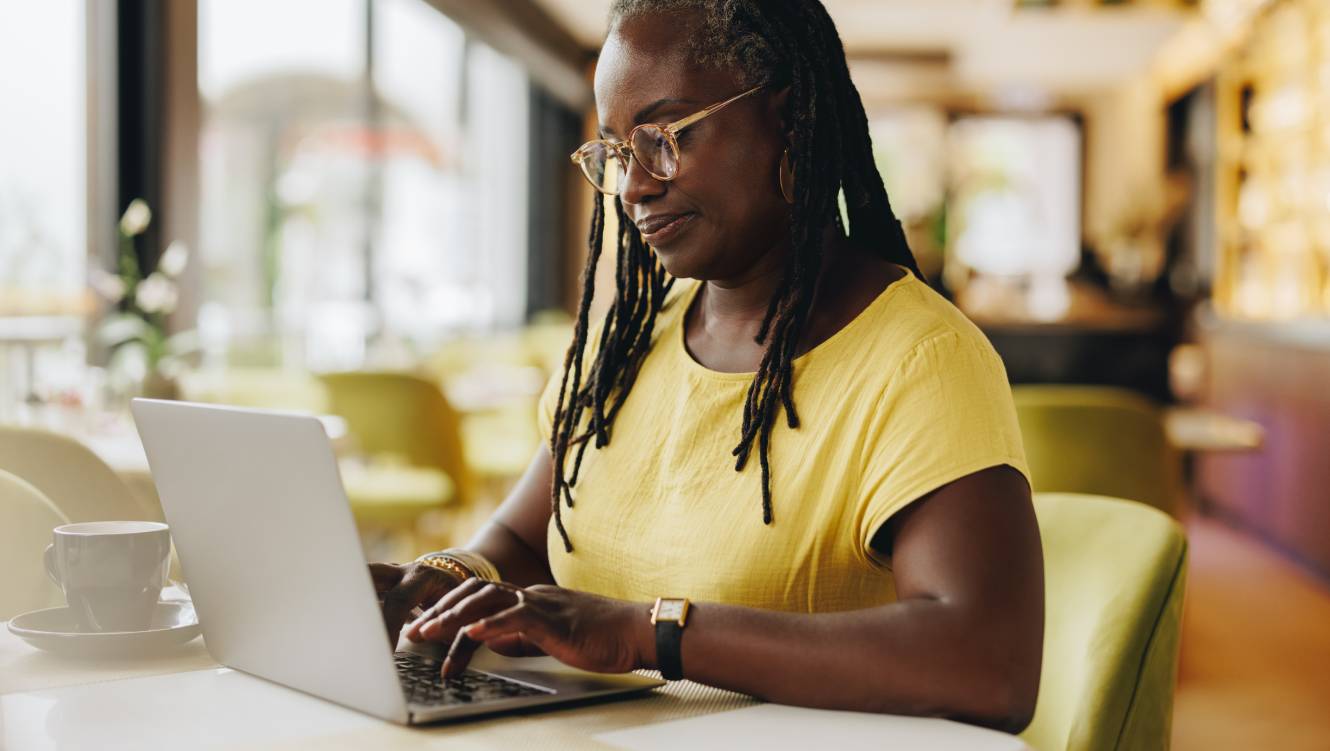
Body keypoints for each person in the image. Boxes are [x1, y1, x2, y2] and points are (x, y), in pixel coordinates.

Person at [372, 0, 1043, 731]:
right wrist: (447, 580)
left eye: (664, 136)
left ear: (788, 118)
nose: (633, 186)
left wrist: (647, 632)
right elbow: (523, 541)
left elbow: (987, 662)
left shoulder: (920, 360)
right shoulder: (623, 346)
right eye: (619, 152)